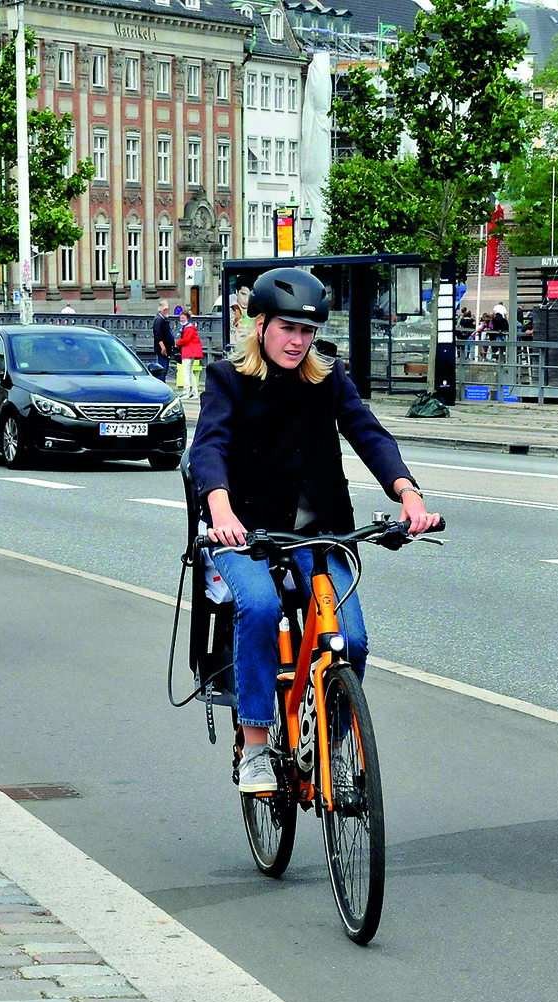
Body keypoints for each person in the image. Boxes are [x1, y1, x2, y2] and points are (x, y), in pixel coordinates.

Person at [191, 268, 439, 794]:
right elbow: (208, 446)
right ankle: (256, 745)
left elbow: (368, 432)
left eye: (307, 331)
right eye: (287, 328)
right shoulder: (226, 377)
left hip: (320, 534)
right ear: (260, 325)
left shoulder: (328, 379)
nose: (298, 341)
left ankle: (331, 743)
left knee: (350, 639)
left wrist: (408, 493)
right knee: (258, 608)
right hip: (247, 530)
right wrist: (221, 509)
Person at [175, 306, 204, 402]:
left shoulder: (188, 329)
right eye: (181, 318)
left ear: (187, 318)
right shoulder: (191, 328)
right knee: (190, 373)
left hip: (188, 351)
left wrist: (178, 342)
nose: (181, 319)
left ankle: (186, 392)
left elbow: (185, 340)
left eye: (183, 318)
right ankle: (195, 392)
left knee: (186, 372)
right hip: (192, 352)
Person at [151, 298, 177, 381]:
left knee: (164, 370)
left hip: (167, 349)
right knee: (162, 370)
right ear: (165, 309)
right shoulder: (159, 320)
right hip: (163, 350)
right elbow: (158, 336)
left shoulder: (163, 319)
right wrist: (163, 347)